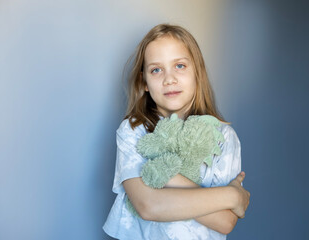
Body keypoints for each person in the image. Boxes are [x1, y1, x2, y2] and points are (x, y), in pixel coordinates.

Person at [103, 23, 250, 240]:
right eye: (156, 70)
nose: (169, 79)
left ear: (197, 72)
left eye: (179, 66)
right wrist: (230, 195)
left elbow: (225, 221)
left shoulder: (224, 137)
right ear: (144, 82)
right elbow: (148, 206)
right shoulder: (134, 130)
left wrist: (166, 176)